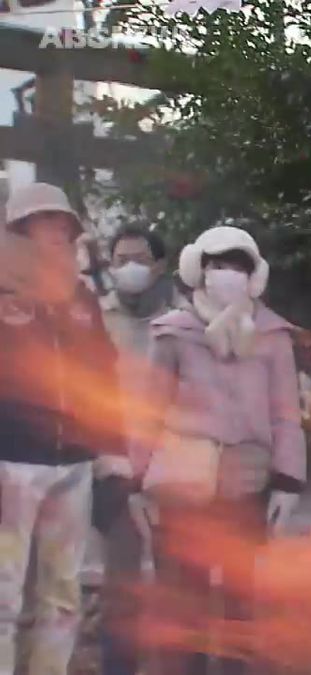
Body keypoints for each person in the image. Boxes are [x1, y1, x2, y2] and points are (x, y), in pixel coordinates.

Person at [129, 225, 305, 675]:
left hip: (247, 483)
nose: (226, 275)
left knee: (238, 608)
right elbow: (150, 409)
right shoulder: (173, 332)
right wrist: (135, 481)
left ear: (253, 277)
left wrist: (288, 483)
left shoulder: (272, 335)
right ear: (200, 270)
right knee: (183, 607)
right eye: (218, 265)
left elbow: (285, 414)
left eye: (236, 267)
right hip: (182, 484)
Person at [0, 183, 128, 675]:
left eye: (65, 226)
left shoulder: (82, 299)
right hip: (10, 464)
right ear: (19, 231)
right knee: (5, 596)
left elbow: (105, 377)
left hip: (73, 466)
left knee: (63, 596)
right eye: (46, 223)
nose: (59, 233)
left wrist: (113, 457)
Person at [94, 225, 186, 675]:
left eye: (138, 258)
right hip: (116, 469)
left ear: (159, 266)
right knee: (123, 586)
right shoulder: (94, 319)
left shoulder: (184, 324)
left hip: (172, 471)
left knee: (175, 586)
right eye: (120, 259)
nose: (128, 267)